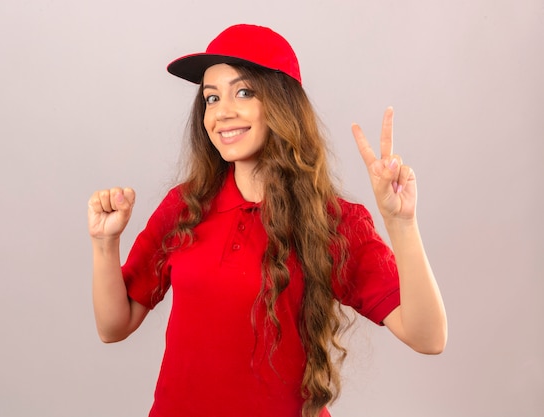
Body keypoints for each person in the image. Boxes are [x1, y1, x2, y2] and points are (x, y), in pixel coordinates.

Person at [87, 24, 447, 417]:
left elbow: (428, 337)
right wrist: (105, 244)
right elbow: (113, 327)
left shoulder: (333, 221)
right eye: (211, 98)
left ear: (280, 104)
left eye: (244, 92)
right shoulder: (184, 207)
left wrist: (402, 223)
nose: (222, 112)